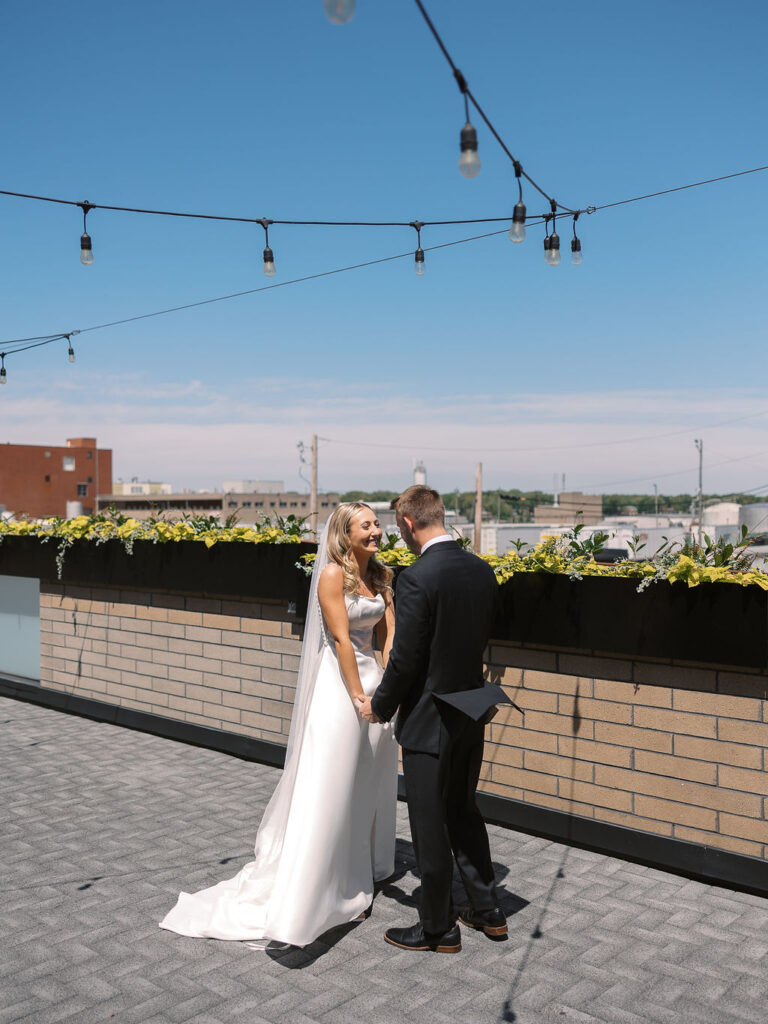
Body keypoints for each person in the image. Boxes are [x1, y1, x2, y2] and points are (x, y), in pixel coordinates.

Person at [159, 502, 398, 947]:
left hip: (376, 687)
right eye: (366, 526)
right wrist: (358, 697)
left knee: (368, 780)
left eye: (377, 524)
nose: (376, 531)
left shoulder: (382, 576)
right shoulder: (331, 576)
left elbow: (390, 637)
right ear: (345, 534)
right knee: (334, 781)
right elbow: (343, 639)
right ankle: (323, 886)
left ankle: (358, 867)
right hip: (341, 687)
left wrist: (387, 691)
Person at [357, 485, 506, 954]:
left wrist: (379, 706)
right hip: (472, 709)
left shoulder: (417, 577)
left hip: (430, 717)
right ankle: (488, 911)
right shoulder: (482, 571)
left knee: (428, 821)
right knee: (463, 811)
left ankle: (438, 929)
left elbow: (406, 659)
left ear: (406, 523)